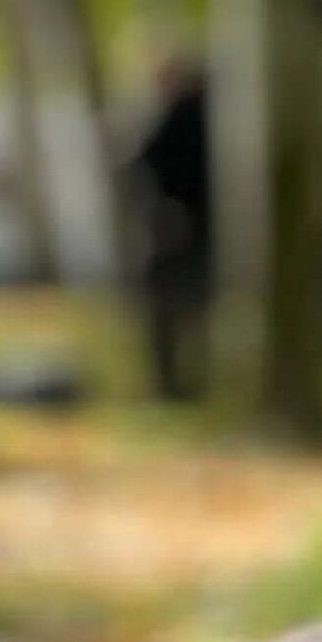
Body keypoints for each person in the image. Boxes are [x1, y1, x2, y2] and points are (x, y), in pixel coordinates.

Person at [122, 59, 212, 402]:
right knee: (192, 307)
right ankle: (187, 381)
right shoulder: (212, 113)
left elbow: (144, 160)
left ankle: (170, 383)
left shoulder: (177, 113)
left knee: (166, 308)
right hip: (196, 226)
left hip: (174, 224)